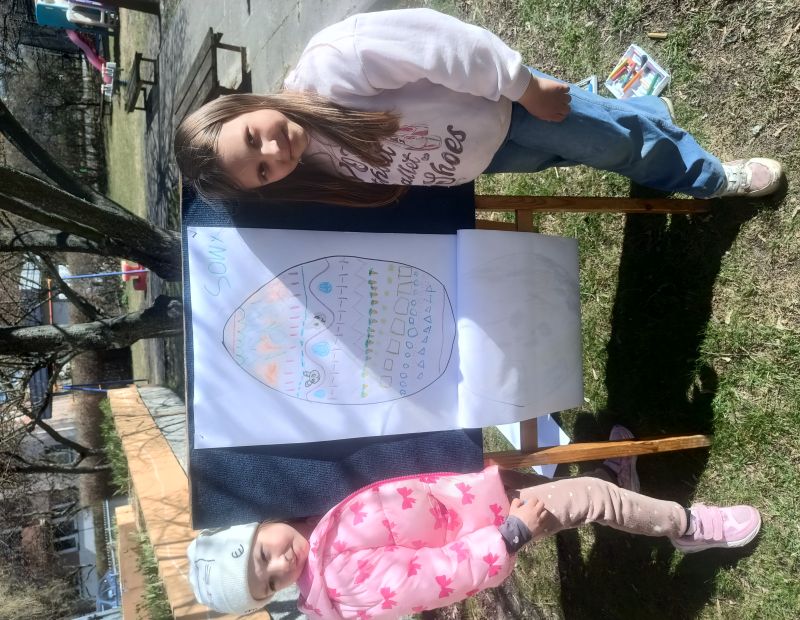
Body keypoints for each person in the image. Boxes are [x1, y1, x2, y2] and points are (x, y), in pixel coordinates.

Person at [174, 8, 782, 208]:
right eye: (262, 171)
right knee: (589, 144)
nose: (274, 152)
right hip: (489, 156)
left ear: (243, 105)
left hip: (512, 107)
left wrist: (525, 86)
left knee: (615, 144)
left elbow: (446, 45)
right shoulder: (310, 165)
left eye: (252, 138)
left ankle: (706, 177)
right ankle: (646, 110)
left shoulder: (335, 62)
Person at [186, 426, 761, 618]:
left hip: (470, 497)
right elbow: (434, 577)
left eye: (263, 553)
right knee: (587, 499)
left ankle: (618, 481)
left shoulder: (316, 527)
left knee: (581, 494)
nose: (281, 563)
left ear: (257, 528)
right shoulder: (340, 579)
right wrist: (510, 536)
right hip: (494, 527)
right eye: (270, 582)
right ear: (274, 597)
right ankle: (688, 527)